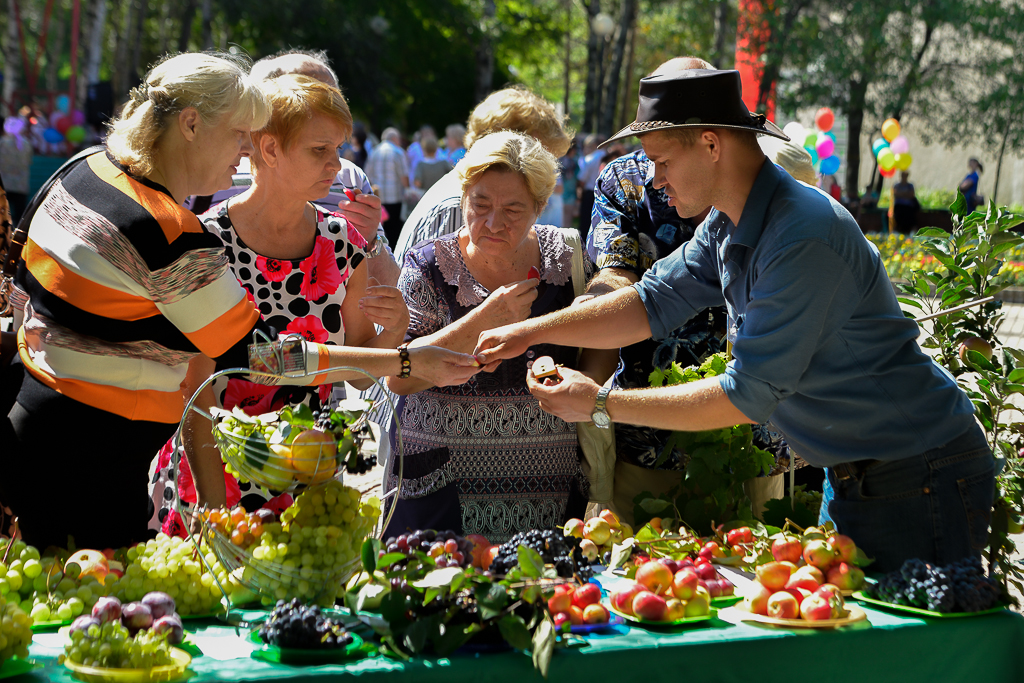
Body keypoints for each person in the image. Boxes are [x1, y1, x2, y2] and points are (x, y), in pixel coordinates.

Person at [475, 68, 992, 572]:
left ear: (711, 144)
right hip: (861, 471)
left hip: (919, 471)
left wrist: (600, 404)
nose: (654, 181)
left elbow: (746, 395)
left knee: (913, 653)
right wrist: (527, 331)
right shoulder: (731, 219)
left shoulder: (801, 234)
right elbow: (650, 302)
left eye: (660, 161)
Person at [0, 52, 481, 550]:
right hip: (84, 466)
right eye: (237, 134)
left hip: (38, 432)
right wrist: (401, 359)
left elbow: (18, 290)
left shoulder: (86, 168)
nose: (245, 151)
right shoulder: (166, 234)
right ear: (190, 124)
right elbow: (266, 358)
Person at [167, 74, 412, 519]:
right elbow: (192, 389)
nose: (336, 165)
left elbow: (357, 374)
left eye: (338, 149)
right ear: (270, 149)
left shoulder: (343, 241)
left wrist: (394, 329)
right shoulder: (202, 241)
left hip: (308, 481)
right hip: (210, 479)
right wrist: (213, 505)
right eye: (320, 150)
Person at [384, 131, 589, 542]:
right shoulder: (427, 266)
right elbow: (398, 376)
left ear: (540, 206)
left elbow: (598, 347)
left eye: (513, 209)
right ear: (462, 199)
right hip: (441, 486)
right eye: (480, 205)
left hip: (547, 483)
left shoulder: (567, 262)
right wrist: (484, 318)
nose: (493, 223)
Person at [187, 50, 399, 288]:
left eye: (331, 96)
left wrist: (370, 242)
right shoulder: (216, 174)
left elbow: (386, 292)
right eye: (305, 92)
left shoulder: (350, 178)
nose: (325, 106)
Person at [393, 86, 572, 264]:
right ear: (512, 148)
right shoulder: (460, 207)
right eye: (539, 155)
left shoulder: (469, 192)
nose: (546, 171)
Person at [366, 127, 409, 247]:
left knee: (381, 229)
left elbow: (367, 174)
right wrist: (407, 189)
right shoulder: (398, 152)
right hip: (395, 197)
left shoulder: (374, 151)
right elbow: (403, 175)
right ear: (395, 138)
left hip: (378, 196)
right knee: (395, 229)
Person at [0, 113, 33, 225]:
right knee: (19, 218)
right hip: (21, 186)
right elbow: (29, 162)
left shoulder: (2, 143)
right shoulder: (26, 144)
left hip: (5, 184)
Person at [576, 134, 603, 241]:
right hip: (603, 193)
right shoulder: (607, 155)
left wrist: (579, 195)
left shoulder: (590, 159)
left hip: (589, 194)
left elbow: (582, 179)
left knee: (586, 222)